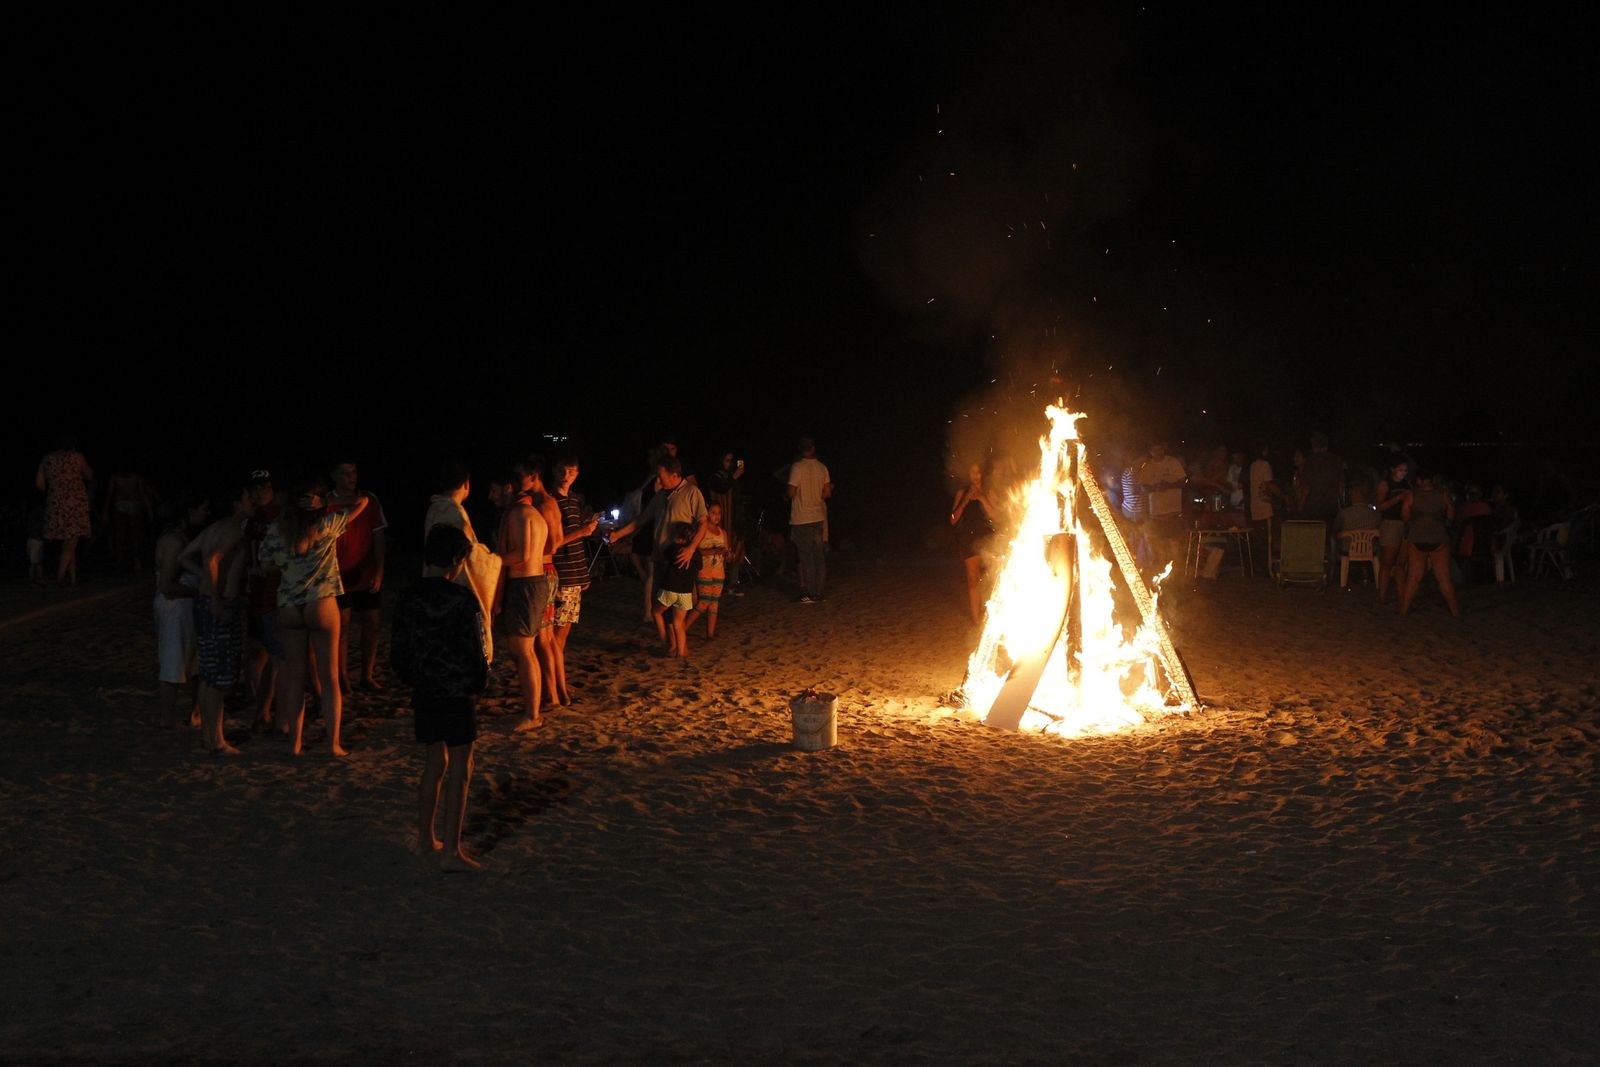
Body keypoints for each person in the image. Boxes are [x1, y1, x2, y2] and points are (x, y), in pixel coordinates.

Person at [391, 524, 489, 872]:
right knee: (461, 767)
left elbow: (400, 647)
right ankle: (451, 850)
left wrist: (412, 677)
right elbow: (475, 650)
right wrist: (479, 682)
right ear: (456, 561)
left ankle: (424, 840)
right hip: (457, 691)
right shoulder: (462, 599)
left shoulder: (409, 596)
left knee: (433, 763)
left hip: (426, 689)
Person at [260, 476, 370, 756]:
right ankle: (333, 744)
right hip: (321, 601)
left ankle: (294, 744)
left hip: (288, 605)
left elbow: (267, 564)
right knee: (329, 677)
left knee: (294, 677)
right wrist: (327, 503)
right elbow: (364, 501)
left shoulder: (276, 530)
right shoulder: (327, 524)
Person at [181, 485, 257, 755]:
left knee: (208, 673)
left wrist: (205, 584)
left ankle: (209, 736)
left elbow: (185, 556)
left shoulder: (213, 528)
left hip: (205, 602)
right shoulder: (233, 530)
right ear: (237, 503)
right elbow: (213, 560)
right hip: (220, 604)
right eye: (249, 497)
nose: (253, 501)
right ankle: (216, 741)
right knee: (219, 677)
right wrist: (216, 597)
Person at [497, 463, 551, 732]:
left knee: (525, 650)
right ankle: (531, 709)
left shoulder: (521, 514)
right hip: (530, 584)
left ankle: (533, 714)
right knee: (521, 649)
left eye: (492, 490)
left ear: (507, 488)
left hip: (526, 584)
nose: (490, 496)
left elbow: (523, 555)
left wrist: (487, 558)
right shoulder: (528, 512)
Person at [328, 458, 388, 693]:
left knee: (371, 624)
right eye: (345, 473)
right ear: (333, 476)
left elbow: (379, 535)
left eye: (353, 472)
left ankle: (367, 675)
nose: (351, 478)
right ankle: (342, 677)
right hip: (337, 573)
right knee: (341, 627)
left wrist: (379, 569)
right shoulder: (327, 501)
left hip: (365, 571)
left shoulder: (369, 499)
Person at [153, 492, 209, 729]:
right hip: (175, 606)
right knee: (173, 660)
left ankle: (196, 712)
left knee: (193, 661)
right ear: (190, 511)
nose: (207, 513)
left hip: (184, 605)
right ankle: (167, 718)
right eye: (203, 508)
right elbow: (167, 586)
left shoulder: (184, 537)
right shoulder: (174, 541)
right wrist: (201, 591)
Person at [548, 456, 601, 705]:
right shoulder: (552, 501)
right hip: (562, 573)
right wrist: (581, 532)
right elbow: (555, 542)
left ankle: (559, 686)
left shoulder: (573, 501)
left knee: (563, 635)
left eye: (571, 471)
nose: (566, 475)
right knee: (556, 636)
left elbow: (577, 541)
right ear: (554, 471)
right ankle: (558, 689)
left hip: (574, 575)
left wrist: (583, 575)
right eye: (562, 470)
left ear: (577, 473)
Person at [243, 470, 284, 732]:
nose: (260, 493)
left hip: (272, 592)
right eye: (255, 488)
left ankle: (264, 710)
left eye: (265, 487)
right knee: (258, 651)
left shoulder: (279, 516)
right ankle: (263, 707)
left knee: (275, 654)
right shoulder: (251, 518)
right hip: (256, 592)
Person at [1399, 469, 1460, 617]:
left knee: (1414, 576)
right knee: (1443, 577)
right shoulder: (1442, 494)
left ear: (1419, 479)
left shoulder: (1412, 494)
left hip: (1417, 537)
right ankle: (1455, 611)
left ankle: (1404, 609)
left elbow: (1405, 515)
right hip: (1438, 537)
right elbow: (1451, 514)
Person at [36, 435, 94, 585]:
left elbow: (39, 484)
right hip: (74, 502)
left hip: (55, 504)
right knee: (71, 542)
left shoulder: (46, 459)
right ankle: (60, 577)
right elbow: (89, 475)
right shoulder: (77, 457)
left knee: (69, 543)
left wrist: (55, 484)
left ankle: (73, 578)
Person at [787, 436, 832, 603]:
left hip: (802, 518)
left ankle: (811, 592)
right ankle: (819, 591)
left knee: (806, 558)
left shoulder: (797, 467)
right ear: (813, 448)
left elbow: (791, 492)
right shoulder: (822, 467)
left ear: (801, 449)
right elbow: (827, 493)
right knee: (819, 556)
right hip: (818, 516)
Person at [950, 463, 996, 624]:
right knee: (973, 579)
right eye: (972, 472)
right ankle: (977, 619)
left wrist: (982, 498)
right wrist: (965, 501)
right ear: (969, 474)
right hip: (968, 540)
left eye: (978, 472)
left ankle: (991, 615)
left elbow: (996, 517)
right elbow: (953, 519)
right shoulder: (962, 493)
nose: (975, 476)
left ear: (982, 474)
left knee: (992, 576)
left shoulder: (989, 492)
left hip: (987, 539)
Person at [1138, 440, 1187, 575]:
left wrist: (1168, 485)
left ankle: (1177, 569)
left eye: (1160, 449)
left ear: (1164, 449)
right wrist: (1155, 488)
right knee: (1159, 541)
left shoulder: (1173, 462)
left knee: (1174, 540)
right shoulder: (1147, 466)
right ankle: (1161, 569)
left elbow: (1183, 482)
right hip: (1156, 511)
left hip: (1173, 509)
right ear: (1150, 452)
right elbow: (1142, 486)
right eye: (1155, 450)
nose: (1158, 453)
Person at [101, 459, 157, 572]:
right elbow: (109, 495)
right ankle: (121, 561)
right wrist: (105, 512)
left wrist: (149, 509)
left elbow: (142, 494)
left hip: (133, 506)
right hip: (121, 506)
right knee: (121, 535)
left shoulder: (136, 477)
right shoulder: (116, 478)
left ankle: (134, 561)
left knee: (133, 535)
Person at [652, 523, 699, 657]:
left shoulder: (672, 550)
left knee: (656, 612)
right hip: (686, 592)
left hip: (670, 589)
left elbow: (664, 556)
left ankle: (664, 642)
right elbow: (698, 569)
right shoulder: (696, 554)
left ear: (678, 537)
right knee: (679, 624)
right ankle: (681, 652)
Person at [684, 501, 728, 639]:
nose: (716, 516)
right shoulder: (702, 531)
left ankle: (710, 633)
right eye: (713, 513)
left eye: (719, 513)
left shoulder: (723, 532)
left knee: (714, 603)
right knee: (704, 602)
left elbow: (725, 550)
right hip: (704, 570)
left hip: (719, 572)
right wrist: (714, 550)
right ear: (707, 513)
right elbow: (696, 551)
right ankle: (683, 628)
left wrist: (728, 553)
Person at [1373, 456, 1413, 603]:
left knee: (1401, 563)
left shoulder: (1407, 484)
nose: (1403, 473)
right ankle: (1382, 595)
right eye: (1400, 470)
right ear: (1393, 469)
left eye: (1405, 470)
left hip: (1404, 524)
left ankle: (1402, 595)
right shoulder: (1385, 484)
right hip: (1390, 523)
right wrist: (1398, 498)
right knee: (1387, 562)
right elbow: (1379, 506)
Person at [1298, 432, 1346, 525]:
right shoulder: (1336, 460)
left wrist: (1301, 504)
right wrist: (1342, 503)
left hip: (1313, 507)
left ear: (1314, 445)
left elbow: (1306, 487)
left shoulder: (1310, 461)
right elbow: (1341, 486)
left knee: (1315, 535)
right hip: (1331, 506)